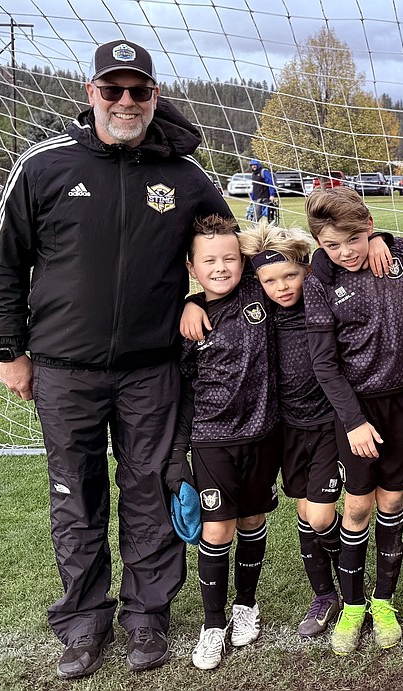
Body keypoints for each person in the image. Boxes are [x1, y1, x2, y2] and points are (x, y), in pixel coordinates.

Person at [0, 38, 232, 679]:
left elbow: (229, 254)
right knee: (77, 494)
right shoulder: (43, 165)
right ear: (90, 92)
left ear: (154, 96)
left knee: (150, 490)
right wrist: (11, 351)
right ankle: (83, 620)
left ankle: (147, 615)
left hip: (153, 369)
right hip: (64, 369)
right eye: (113, 89)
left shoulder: (185, 176)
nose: (126, 101)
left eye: (138, 90)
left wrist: (195, 298)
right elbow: (3, 265)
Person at [180, 223, 345, 640]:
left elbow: (333, 254)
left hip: (312, 426)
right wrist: (191, 302)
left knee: (317, 515)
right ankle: (322, 596)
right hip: (270, 431)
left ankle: (352, 584)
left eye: (290, 276)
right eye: (271, 280)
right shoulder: (246, 301)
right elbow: (220, 293)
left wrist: (379, 239)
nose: (281, 286)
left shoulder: (301, 293)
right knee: (297, 514)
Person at [303, 187, 403, 654]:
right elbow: (324, 364)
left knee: (392, 500)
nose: (345, 252)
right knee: (357, 507)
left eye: (354, 239)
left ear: (370, 227)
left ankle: (383, 601)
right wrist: (354, 421)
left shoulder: (393, 258)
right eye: (332, 245)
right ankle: (353, 605)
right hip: (355, 410)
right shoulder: (319, 282)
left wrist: (384, 241)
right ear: (319, 244)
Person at [175, 216, 281, 670]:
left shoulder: (260, 292)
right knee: (217, 529)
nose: (220, 267)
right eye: (209, 261)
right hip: (211, 438)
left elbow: (290, 256)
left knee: (253, 519)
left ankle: (246, 604)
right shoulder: (188, 322)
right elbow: (182, 388)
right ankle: (213, 623)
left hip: (263, 434)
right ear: (191, 267)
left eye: (230, 258)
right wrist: (189, 302)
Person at [249, 159, 278, 224]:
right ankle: (254, 228)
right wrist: (252, 198)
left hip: (265, 198)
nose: (254, 166)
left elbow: (270, 183)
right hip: (257, 199)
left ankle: (273, 227)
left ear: (258, 165)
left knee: (269, 215)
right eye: (252, 165)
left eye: (255, 165)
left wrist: (272, 195)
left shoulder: (264, 172)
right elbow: (254, 187)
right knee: (256, 216)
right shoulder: (253, 174)